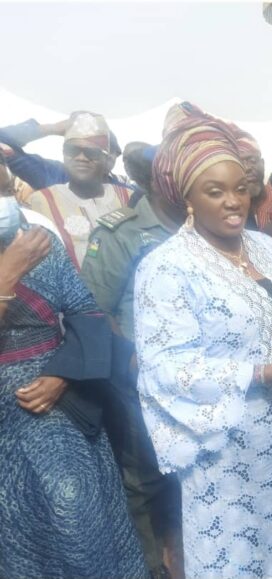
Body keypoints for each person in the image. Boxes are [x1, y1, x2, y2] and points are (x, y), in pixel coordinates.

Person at [134, 101, 272, 578]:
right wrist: (259, 373)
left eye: (240, 189)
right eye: (215, 191)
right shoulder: (167, 267)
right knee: (236, 555)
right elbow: (164, 366)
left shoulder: (264, 247)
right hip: (222, 447)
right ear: (188, 197)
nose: (233, 202)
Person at [0, 157, 146, 577]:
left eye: (6, 189)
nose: (6, 201)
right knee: (18, 524)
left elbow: (86, 312)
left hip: (56, 404)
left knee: (73, 506)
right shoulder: (19, 257)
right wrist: (7, 277)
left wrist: (63, 373)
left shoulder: (38, 241)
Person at [80, 139, 186, 577]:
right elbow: (92, 307)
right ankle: (149, 567)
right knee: (144, 479)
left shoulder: (204, 225)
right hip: (138, 382)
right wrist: (132, 360)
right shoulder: (120, 232)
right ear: (156, 181)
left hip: (197, 378)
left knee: (190, 472)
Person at [25, 113, 132, 268]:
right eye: (72, 150)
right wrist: (51, 128)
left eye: (92, 152)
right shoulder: (41, 201)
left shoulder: (129, 198)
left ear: (106, 158)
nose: (81, 157)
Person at [0, 113, 133, 194]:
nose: (84, 157)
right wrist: (51, 128)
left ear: (116, 155)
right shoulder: (55, 175)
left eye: (96, 151)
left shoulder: (126, 192)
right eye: (75, 150)